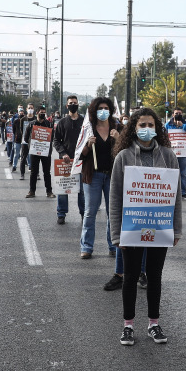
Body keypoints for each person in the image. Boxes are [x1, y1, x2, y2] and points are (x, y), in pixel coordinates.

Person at [109, 107, 182, 346]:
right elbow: (115, 198)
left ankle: (154, 323)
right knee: (130, 277)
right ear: (133, 128)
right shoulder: (123, 157)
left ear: (157, 128)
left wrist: (176, 229)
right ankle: (128, 326)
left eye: (151, 125)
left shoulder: (169, 156)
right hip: (132, 227)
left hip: (160, 227)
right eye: (142, 125)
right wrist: (116, 234)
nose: (147, 129)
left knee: (155, 276)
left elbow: (176, 196)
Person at [79, 97, 118, 260]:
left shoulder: (117, 128)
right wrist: (88, 145)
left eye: (106, 108)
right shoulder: (88, 129)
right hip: (93, 175)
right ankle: (86, 247)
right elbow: (80, 156)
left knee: (113, 213)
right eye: (100, 108)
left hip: (113, 176)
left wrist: (119, 139)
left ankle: (113, 245)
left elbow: (125, 151)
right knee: (90, 212)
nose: (103, 111)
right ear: (94, 111)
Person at [52, 95, 86, 225]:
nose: (73, 104)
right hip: (65, 162)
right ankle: (61, 214)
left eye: (75, 103)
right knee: (63, 190)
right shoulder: (61, 122)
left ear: (78, 105)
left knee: (82, 190)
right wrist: (63, 153)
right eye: (71, 103)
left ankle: (83, 214)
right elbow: (56, 141)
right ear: (67, 106)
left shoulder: (84, 122)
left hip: (81, 161)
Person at [165, 109, 186, 200]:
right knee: (171, 172)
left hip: (184, 152)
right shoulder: (168, 125)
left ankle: (183, 192)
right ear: (172, 115)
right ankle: (171, 191)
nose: (178, 115)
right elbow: (163, 135)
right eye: (176, 114)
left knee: (183, 173)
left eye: (180, 114)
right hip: (172, 152)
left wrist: (183, 126)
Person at [24, 106, 54, 198]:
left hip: (46, 152)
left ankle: (49, 192)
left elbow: (52, 137)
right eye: (41, 112)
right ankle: (32, 191)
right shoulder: (31, 124)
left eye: (44, 112)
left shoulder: (49, 124)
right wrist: (31, 145)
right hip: (34, 152)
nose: (43, 114)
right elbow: (25, 138)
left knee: (47, 172)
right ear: (37, 113)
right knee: (34, 172)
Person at [12, 106, 32, 173]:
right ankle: (14, 166)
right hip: (18, 140)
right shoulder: (16, 121)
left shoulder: (26, 120)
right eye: (20, 112)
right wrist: (16, 136)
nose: (21, 113)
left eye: (22, 112)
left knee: (27, 154)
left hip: (25, 140)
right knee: (17, 154)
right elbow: (14, 131)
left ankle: (30, 165)